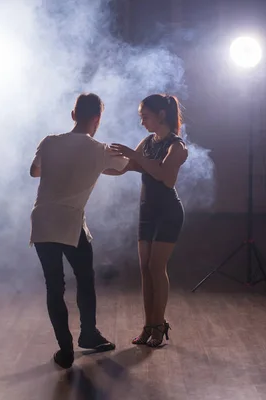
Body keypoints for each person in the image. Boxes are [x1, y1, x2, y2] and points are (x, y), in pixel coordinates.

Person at [29, 93, 129, 369]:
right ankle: (88, 333)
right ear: (97, 119)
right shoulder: (100, 149)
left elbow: (34, 172)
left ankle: (65, 349)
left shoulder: (49, 142)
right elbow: (122, 169)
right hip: (70, 222)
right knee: (85, 278)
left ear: (73, 115)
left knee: (54, 285)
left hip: (42, 220)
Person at [109, 94, 188, 347]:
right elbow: (124, 167)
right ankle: (148, 325)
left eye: (145, 117)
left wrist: (136, 155)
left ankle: (159, 324)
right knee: (145, 270)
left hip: (168, 212)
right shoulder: (147, 143)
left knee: (156, 267)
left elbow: (165, 177)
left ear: (161, 115)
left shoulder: (177, 146)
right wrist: (92, 162)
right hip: (147, 212)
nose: (142, 122)